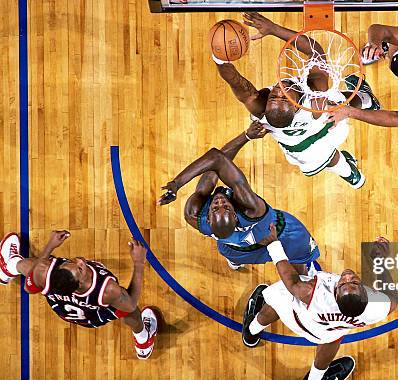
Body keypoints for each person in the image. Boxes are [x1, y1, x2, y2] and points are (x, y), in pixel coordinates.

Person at [214, 12, 381, 189]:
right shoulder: (316, 97)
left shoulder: (260, 108)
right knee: (336, 115)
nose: (279, 90)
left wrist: (218, 56)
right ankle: (353, 171)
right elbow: (315, 50)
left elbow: (235, 82)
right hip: (314, 140)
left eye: (273, 96)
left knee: (336, 115)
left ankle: (354, 173)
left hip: (299, 141)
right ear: (296, 106)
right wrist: (274, 29)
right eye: (283, 97)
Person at [242, 227, 398, 380]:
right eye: (353, 281)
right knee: (333, 338)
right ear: (366, 294)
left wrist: (273, 244)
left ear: (336, 293)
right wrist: (379, 261)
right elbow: (393, 298)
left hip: (297, 316)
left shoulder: (315, 294)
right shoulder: (376, 307)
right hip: (328, 330)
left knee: (278, 300)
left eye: (344, 283)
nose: (347, 276)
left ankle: (251, 332)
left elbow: (292, 282)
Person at [157, 122, 319, 272]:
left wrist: (176, 184)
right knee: (300, 263)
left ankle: (235, 263)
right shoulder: (252, 208)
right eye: (225, 207)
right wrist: (246, 136)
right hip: (282, 234)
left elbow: (214, 166)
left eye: (215, 208)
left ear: (208, 220)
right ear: (235, 216)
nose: (219, 201)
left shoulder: (193, 215)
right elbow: (216, 160)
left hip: (235, 250)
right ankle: (305, 276)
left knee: (231, 252)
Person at [0, 230, 160, 360]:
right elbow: (131, 303)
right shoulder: (107, 290)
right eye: (80, 269)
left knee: (32, 266)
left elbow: (30, 286)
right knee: (129, 311)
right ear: (80, 284)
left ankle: (9, 265)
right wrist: (139, 263)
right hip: (94, 315)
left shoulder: (47, 274)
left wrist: (50, 246)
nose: (80, 261)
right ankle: (143, 340)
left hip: (63, 309)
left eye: (72, 262)